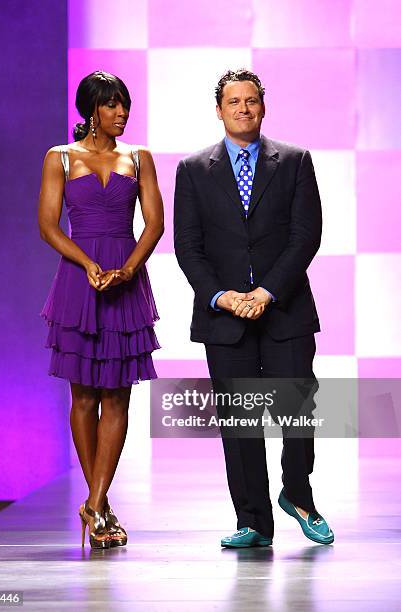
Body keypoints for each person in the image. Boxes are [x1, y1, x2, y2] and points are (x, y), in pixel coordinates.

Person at [174, 68, 334, 547]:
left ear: (263, 107)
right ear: (219, 110)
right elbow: (188, 245)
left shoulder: (294, 161)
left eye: (251, 101)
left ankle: (299, 496)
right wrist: (222, 297)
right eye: (234, 102)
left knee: (297, 409)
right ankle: (253, 521)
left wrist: (266, 292)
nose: (243, 109)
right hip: (225, 317)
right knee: (239, 424)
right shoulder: (192, 169)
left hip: (284, 310)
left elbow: (305, 236)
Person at [38, 71, 164, 549]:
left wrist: (129, 270)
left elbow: (154, 223)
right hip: (79, 281)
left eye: (124, 105)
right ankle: (100, 506)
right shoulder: (60, 158)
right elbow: (48, 226)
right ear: (92, 110)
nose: (121, 113)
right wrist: (89, 263)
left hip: (125, 281)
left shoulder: (139, 158)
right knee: (85, 398)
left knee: (118, 397)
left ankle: (94, 501)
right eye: (112, 105)